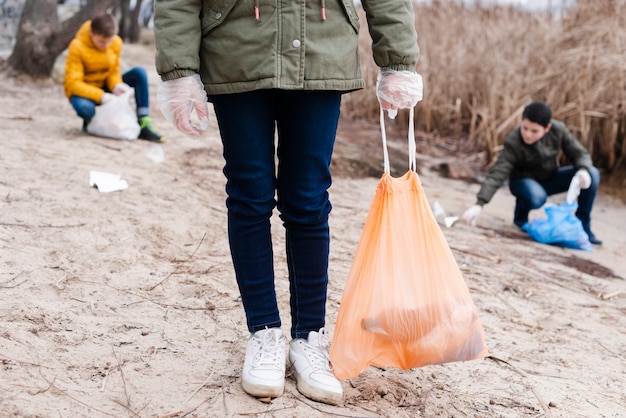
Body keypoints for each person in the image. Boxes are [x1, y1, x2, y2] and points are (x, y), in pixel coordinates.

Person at [153, 0, 423, 405]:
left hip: (322, 47)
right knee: (249, 194)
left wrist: (398, 59)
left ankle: (309, 339)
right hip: (237, 48)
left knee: (309, 199)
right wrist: (179, 70)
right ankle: (264, 333)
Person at [461, 101, 602, 245]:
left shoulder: (559, 131)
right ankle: (521, 214)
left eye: (534, 131)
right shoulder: (514, 140)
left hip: (550, 178)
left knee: (593, 173)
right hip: (523, 183)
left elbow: (580, 154)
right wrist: (479, 203)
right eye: (525, 128)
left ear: (547, 128)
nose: (528, 134)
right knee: (536, 196)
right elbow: (498, 173)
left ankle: (583, 225)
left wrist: (583, 170)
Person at [64, 13, 164, 142]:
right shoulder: (77, 46)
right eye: (101, 41)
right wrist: (102, 96)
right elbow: (73, 84)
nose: (105, 46)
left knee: (139, 73)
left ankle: (144, 122)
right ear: (91, 32)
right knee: (85, 108)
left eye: (109, 41)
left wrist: (116, 85)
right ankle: (90, 122)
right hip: (84, 92)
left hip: (105, 86)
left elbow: (113, 71)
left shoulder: (116, 43)